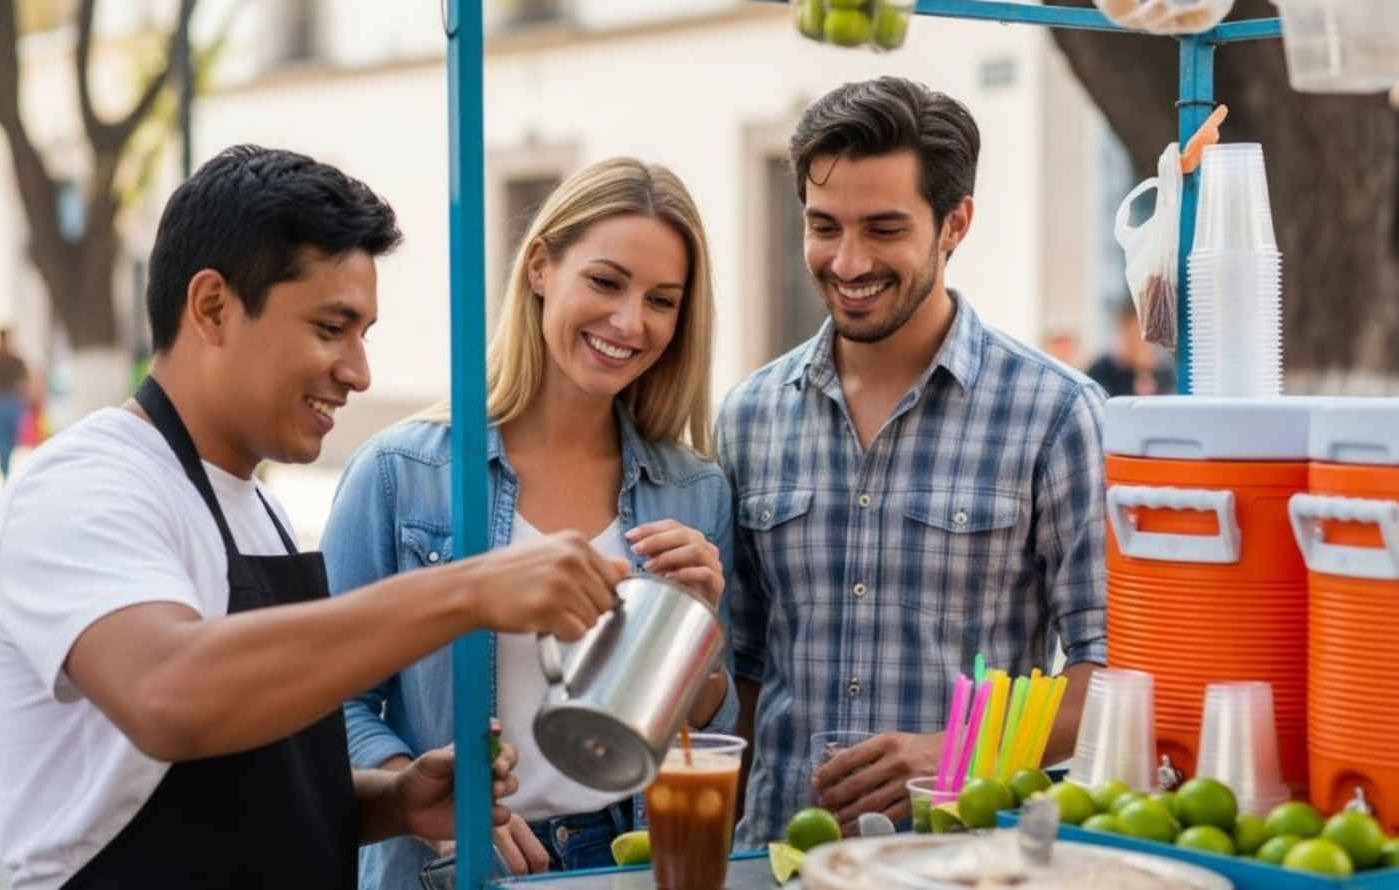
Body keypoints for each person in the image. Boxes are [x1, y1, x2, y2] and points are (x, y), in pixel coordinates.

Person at [0, 145, 630, 890]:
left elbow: (229, 789)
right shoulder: (84, 485)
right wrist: (470, 590)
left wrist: (394, 800)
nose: (359, 371)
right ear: (213, 306)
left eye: (364, 334)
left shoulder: (257, 507)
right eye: (331, 328)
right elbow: (169, 694)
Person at [323, 158, 736, 889]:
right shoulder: (402, 473)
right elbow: (329, 700)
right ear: (541, 266)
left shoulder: (694, 490)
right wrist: (434, 800)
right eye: (606, 282)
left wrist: (698, 641)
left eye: (662, 301)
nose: (630, 322)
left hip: (627, 859)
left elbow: (700, 731)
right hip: (451, 865)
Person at [716, 77, 1108, 846]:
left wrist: (950, 755)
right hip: (778, 856)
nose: (848, 260)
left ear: (954, 223)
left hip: (964, 861)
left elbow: (1111, 677)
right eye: (823, 226)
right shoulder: (748, 416)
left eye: (883, 228)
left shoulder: (1056, 413)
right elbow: (746, 675)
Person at [1086, 299, 1175, 396]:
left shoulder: (1165, 369)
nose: (1143, 344)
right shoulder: (1102, 370)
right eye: (1135, 336)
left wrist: (1145, 372)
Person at [0, 326, 31, 480]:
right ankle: (5, 473)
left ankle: (5, 473)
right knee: (3, 443)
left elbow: (25, 382)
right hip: (3, 402)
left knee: (6, 443)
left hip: (6, 402)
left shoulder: (5, 360)